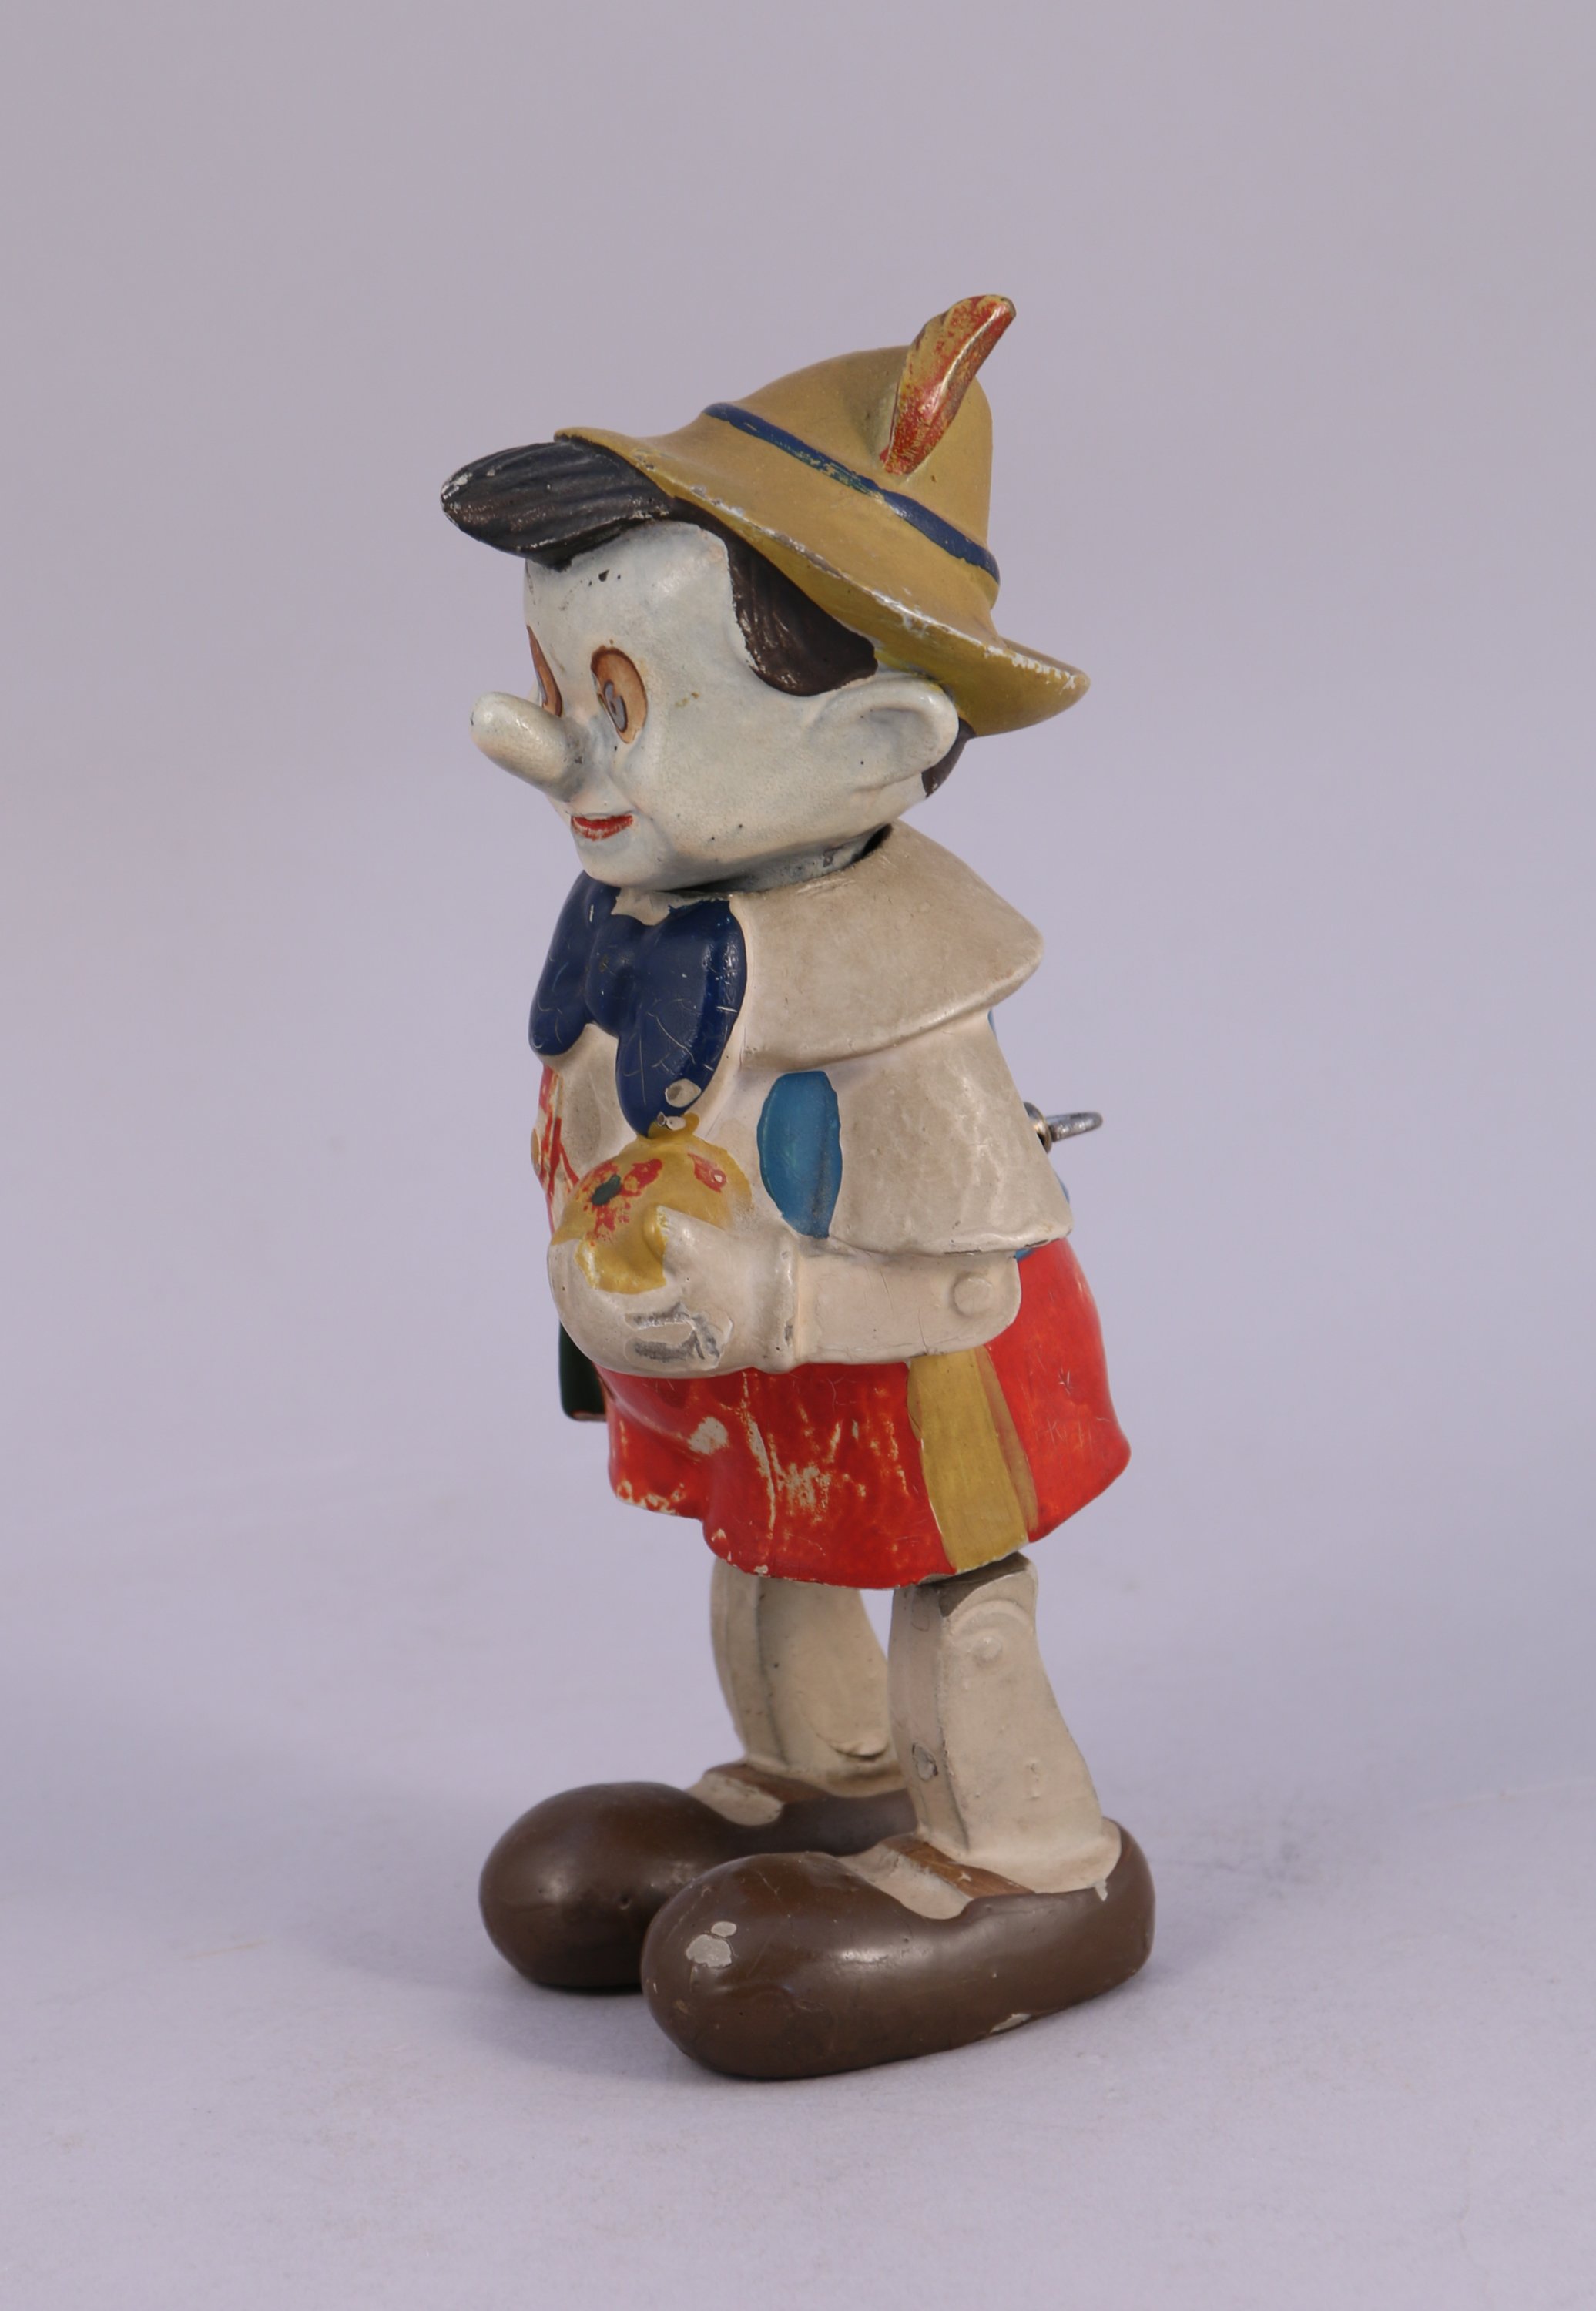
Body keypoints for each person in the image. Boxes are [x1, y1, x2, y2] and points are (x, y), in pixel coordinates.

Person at [441, 296, 1152, 2078]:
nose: (537, 745)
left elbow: (977, 1274)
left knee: (952, 1598)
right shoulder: (635, 918)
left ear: (870, 744)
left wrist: (766, 1299)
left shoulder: (902, 989)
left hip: (912, 1366)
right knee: (764, 1566)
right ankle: (823, 1785)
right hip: (746, 1371)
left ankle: (1027, 1850)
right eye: (555, 690)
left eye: (621, 707)